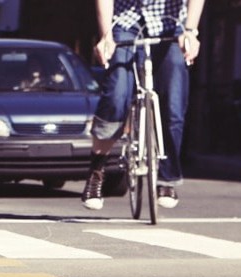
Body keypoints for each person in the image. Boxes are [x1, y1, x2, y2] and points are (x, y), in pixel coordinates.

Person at [81, 0, 205, 211]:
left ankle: (167, 180)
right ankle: (97, 170)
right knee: (116, 94)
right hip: (125, 24)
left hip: (171, 24)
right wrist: (105, 36)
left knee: (173, 104)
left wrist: (190, 31)